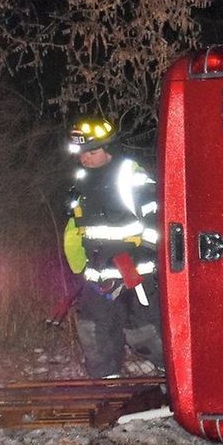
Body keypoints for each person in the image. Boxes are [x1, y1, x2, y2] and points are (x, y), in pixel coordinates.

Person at [62, 115, 164, 378]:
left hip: (134, 273)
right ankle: (106, 389)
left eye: (91, 152)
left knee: (145, 331)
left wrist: (143, 253)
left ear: (107, 149)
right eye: (81, 153)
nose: (85, 158)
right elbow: (76, 228)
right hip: (98, 274)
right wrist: (79, 264)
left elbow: (157, 216)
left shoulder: (129, 174)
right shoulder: (80, 180)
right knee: (94, 331)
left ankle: (175, 382)